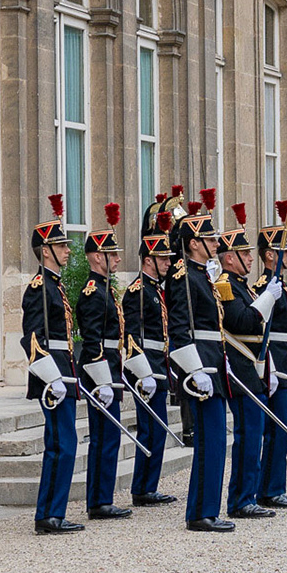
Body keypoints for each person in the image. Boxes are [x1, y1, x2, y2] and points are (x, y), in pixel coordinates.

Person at [165, 194, 233, 532]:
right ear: (193, 244)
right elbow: (178, 329)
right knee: (211, 441)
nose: (216, 243)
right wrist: (194, 370)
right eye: (209, 239)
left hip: (212, 364)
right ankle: (201, 513)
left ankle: (204, 509)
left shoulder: (200, 274)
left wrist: (222, 363)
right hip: (200, 368)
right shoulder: (183, 276)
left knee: (216, 441)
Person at [23, 196, 82, 535]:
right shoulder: (39, 288)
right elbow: (32, 339)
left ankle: (51, 512)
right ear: (45, 250)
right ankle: (49, 515)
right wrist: (51, 378)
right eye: (61, 246)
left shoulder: (54, 285)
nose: (67, 251)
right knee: (62, 445)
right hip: (53, 376)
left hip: (63, 371)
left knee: (62, 444)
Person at [216, 209, 279, 520]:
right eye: (243, 253)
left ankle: (248, 495)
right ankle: (241, 500)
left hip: (253, 366)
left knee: (254, 434)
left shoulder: (242, 284)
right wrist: (266, 299)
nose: (250, 258)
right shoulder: (226, 285)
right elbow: (240, 320)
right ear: (229, 258)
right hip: (240, 369)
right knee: (248, 435)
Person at [75, 204, 131, 520]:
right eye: (112, 254)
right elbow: (92, 340)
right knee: (104, 437)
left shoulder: (105, 289)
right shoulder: (93, 292)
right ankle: (99, 501)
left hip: (110, 366)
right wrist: (102, 379)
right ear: (98, 257)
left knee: (109, 436)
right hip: (101, 370)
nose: (118, 259)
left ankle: (102, 498)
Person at [123, 193, 177, 507]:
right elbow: (131, 337)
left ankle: (148, 485)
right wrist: (143, 372)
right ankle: (142, 488)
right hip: (146, 366)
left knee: (158, 429)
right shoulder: (137, 292)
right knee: (149, 429)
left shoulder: (156, 290)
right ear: (148, 260)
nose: (168, 263)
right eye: (164, 259)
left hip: (160, 364)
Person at [256, 200, 287, 510]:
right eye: (284, 251)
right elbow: (261, 331)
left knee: (282, 429)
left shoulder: (280, 286)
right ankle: (270, 489)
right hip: (274, 365)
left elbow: (286, 327)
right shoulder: (265, 287)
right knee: (277, 429)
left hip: (286, 359)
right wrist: (271, 365)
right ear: (269, 255)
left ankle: (276, 486)